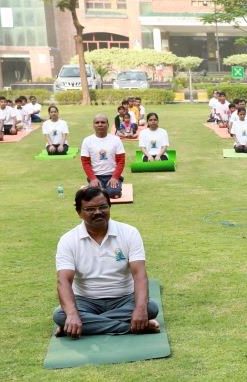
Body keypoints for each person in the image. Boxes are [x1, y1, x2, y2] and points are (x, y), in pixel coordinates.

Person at [52, 187, 160, 338]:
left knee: (150, 308)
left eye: (103, 207)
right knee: (61, 316)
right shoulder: (68, 240)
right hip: (85, 301)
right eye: (90, 209)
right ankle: (130, 327)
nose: (98, 212)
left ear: (109, 207)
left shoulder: (129, 233)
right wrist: (71, 314)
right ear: (79, 213)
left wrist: (140, 308)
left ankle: (82, 326)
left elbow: (139, 274)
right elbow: (63, 280)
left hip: (124, 298)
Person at [80, 114, 126, 198]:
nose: (100, 124)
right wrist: (93, 178)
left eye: (103, 122)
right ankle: (94, 186)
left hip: (112, 175)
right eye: (97, 122)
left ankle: (114, 186)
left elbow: (121, 161)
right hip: (96, 176)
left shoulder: (116, 140)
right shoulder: (87, 141)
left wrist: (115, 177)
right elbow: (85, 162)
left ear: (108, 125)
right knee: (95, 195)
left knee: (113, 193)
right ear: (93, 125)